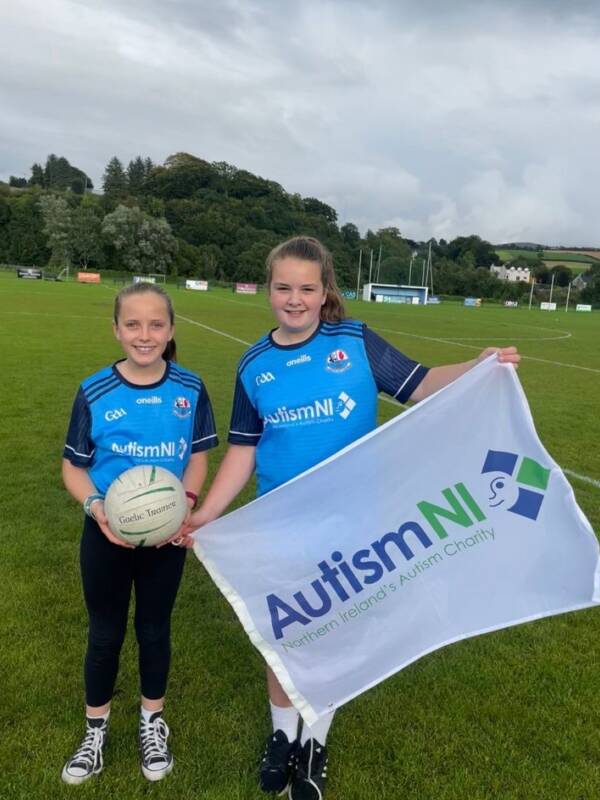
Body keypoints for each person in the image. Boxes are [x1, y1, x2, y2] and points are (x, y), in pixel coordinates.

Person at [184, 236, 520, 800]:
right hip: (281, 522)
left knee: (332, 632)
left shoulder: (355, 341)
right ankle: (282, 737)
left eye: (306, 289)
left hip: (352, 521)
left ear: (324, 292)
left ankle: (315, 743)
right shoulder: (254, 365)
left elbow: (418, 385)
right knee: (284, 634)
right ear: (269, 290)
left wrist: (478, 365)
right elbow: (242, 450)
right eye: (283, 287)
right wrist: (207, 516)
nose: (294, 299)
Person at [61, 282, 218, 785]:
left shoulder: (189, 389)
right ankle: (95, 730)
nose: (144, 335)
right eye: (133, 324)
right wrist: (97, 507)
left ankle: (152, 722)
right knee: (104, 632)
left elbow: (197, 457)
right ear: (116, 329)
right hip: (104, 534)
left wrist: (185, 505)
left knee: (154, 629)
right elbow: (73, 467)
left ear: (171, 330)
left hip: (165, 537)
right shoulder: (94, 391)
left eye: (156, 324)